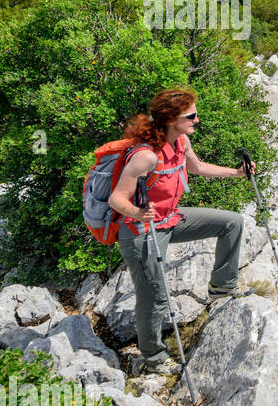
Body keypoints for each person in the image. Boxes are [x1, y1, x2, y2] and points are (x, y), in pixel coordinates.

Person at [106, 87, 255, 373]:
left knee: (231, 222)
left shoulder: (181, 142)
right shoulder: (146, 156)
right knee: (155, 296)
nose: (197, 120)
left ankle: (221, 288)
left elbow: (197, 168)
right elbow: (116, 199)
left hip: (169, 219)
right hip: (140, 232)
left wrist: (237, 173)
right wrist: (139, 212)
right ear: (171, 118)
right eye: (191, 115)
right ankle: (154, 358)